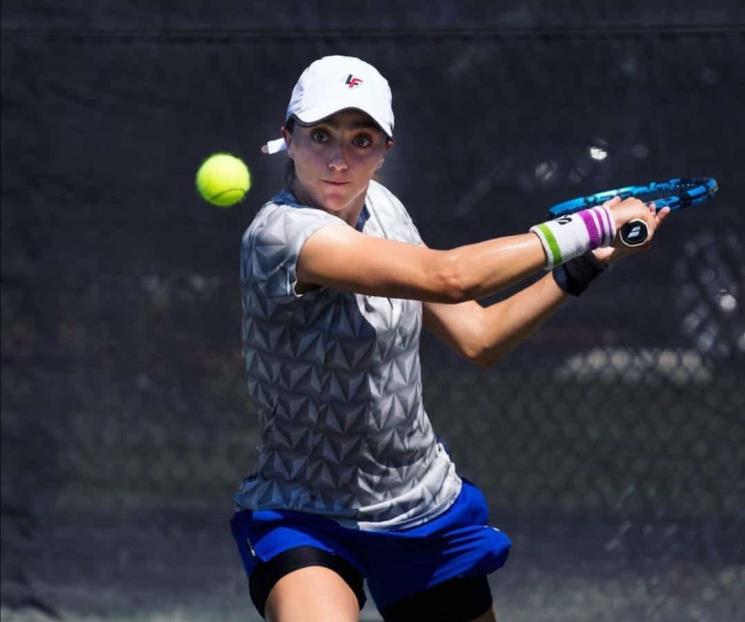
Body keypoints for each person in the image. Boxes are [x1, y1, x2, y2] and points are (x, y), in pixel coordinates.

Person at [231, 55, 668, 622]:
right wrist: (592, 224)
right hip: (303, 513)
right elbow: (452, 277)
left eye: (361, 140)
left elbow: (479, 337)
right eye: (320, 135)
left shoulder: (384, 209)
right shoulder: (280, 236)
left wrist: (585, 264)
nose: (339, 160)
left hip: (420, 505)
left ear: (385, 150)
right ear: (288, 138)